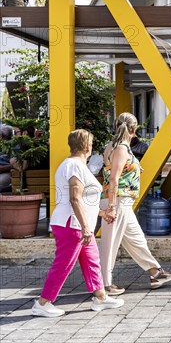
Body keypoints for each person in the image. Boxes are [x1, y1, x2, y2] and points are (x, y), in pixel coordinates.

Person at [32, 130, 124, 317]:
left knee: (91, 260)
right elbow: (75, 199)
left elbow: (83, 200)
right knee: (63, 264)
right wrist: (85, 227)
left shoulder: (74, 165)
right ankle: (43, 303)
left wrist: (101, 213)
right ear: (88, 147)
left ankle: (101, 297)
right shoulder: (74, 166)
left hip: (78, 224)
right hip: (72, 225)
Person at [100, 112, 171, 295]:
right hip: (118, 201)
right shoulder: (120, 149)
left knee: (137, 239)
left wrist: (135, 169)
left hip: (121, 201)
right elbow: (114, 178)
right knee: (109, 244)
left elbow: (117, 169)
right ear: (134, 129)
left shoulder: (112, 147)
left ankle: (155, 273)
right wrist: (111, 206)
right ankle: (104, 284)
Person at [0, 124, 14, 192]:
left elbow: (14, 164)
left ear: (2, 136)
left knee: (1, 181)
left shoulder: (14, 145)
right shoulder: (2, 144)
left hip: (6, 172)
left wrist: (3, 168)